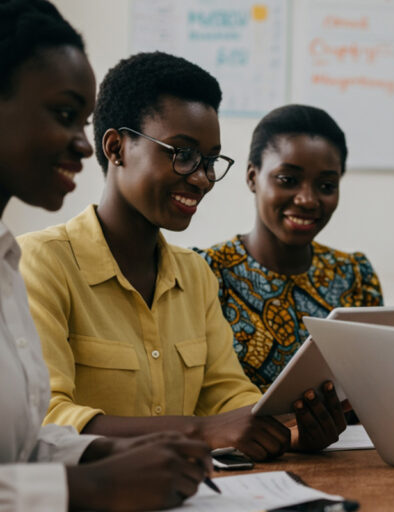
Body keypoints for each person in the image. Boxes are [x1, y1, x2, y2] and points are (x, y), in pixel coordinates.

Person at [19, 51, 347, 462]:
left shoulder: (195, 273)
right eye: (182, 153)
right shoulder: (41, 263)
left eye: (211, 160)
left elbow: (226, 393)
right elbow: (47, 419)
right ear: (117, 147)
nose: (202, 177)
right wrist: (200, 430)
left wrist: (289, 430)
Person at [0, 1, 212, 509]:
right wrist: (98, 484)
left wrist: (116, 452)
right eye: (65, 115)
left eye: (86, 119)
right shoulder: (36, 261)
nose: (83, 144)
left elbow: (23, 448)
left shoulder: (4, 265)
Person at [198, 104, 382, 392]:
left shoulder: (355, 276)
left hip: (349, 439)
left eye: (326, 185)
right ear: (251, 177)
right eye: (288, 180)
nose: (307, 199)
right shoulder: (207, 273)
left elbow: (376, 390)